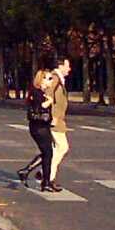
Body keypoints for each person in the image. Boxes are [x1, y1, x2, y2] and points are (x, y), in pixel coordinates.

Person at [17, 69, 56, 192]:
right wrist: (49, 101)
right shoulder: (38, 92)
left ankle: (36, 176)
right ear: (42, 79)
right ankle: (43, 181)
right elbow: (40, 107)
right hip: (40, 127)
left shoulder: (37, 92)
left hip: (39, 126)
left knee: (47, 153)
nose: (51, 81)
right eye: (49, 78)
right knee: (48, 153)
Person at [48, 58, 72, 190]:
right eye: (67, 66)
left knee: (54, 149)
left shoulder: (58, 79)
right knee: (62, 147)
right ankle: (48, 176)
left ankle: (45, 173)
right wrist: (54, 116)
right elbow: (48, 96)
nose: (69, 69)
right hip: (55, 120)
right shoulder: (55, 78)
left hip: (58, 119)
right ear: (60, 66)